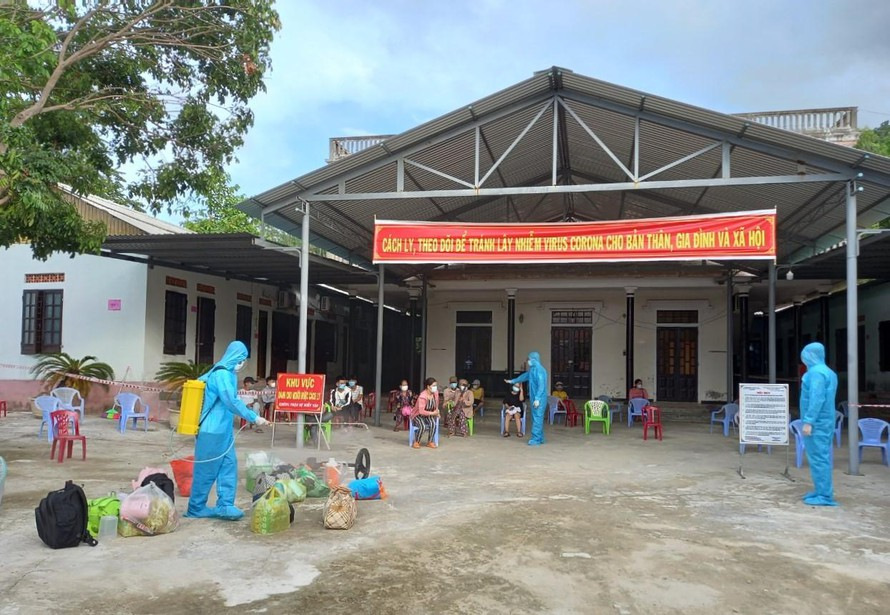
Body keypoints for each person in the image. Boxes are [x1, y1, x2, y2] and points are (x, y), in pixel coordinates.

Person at [187, 340, 269, 520]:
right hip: (211, 431)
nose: (242, 363)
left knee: (229, 466)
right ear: (234, 357)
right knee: (206, 470)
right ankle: (196, 507)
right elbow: (231, 401)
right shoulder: (221, 374)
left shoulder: (227, 373)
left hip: (224, 430)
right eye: (241, 359)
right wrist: (254, 417)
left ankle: (225, 505)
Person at [799, 342, 839, 507]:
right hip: (825, 421)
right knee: (820, 457)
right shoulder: (828, 372)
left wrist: (809, 421)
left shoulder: (816, 373)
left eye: (805, 354)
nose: (803, 357)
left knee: (819, 458)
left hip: (817, 423)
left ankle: (824, 496)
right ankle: (821, 490)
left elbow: (817, 398)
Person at [505, 351, 548, 446]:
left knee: (537, 419)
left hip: (539, 399)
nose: (528, 361)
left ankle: (536, 439)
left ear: (534, 359)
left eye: (529, 359)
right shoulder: (532, 370)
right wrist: (512, 381)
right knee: (535, 418)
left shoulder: (540, 371)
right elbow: (523, 377)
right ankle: (540, 437)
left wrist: (538, 398)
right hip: (534, 398)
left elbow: (541, 386)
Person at [411, 377, 440, 448]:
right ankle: (416, 441)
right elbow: (421, 411)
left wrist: (437, 412)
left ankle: (430, 442)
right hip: (418, 415)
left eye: (436, 385)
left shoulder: (435, 393)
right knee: (422, 426)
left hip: (428, 414)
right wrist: (433, 413)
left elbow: (436, 404)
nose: (435, 387)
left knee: (433, 424)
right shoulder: (422, 396)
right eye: (433, 386)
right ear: (428, 386)